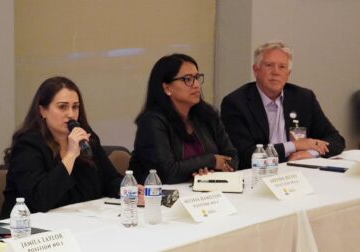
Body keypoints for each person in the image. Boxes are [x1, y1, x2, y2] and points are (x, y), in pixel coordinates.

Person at [1, 76, 136, 217]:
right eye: (62, 107)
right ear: (43, 111)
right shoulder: (27, 145)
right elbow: (40, 200)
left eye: (75, 107)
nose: (71, 114)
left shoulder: (86, 138)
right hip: (27, 229)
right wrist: (71, 155)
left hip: (78, 223)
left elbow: (110, 180)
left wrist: (128, 190)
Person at [221, 41, 345, 169]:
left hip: (298, 172)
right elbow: (243, 155)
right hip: (259, 174)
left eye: (282, 67)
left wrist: (309, 152)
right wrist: (295, 146)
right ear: (256, 70)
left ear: (288, 74)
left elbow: (336, 140)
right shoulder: (235, 103)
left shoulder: (304, 98)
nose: (276, 72)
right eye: (269, 65)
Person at [129, 54, 238, 184]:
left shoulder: (208, 115)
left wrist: (208, 172)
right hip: (155, 198)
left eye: (197, 78)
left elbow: (232, 158)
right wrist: (211, 161)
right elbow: (166, 173)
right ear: (167, 88)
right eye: (188, 79)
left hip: (202, 194)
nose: (196, 85)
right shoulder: (152, 122)